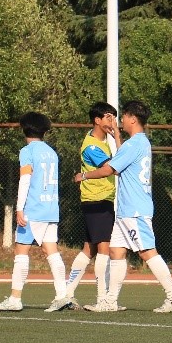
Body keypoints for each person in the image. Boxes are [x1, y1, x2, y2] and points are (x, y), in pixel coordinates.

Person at [71, 100, 172, 313]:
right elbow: (122, 158)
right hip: (126, 210)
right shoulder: (140, 142)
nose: (120, 120)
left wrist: (83, 176)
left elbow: (109, 169)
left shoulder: (134, 144)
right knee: (116, 251)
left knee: (147, 252)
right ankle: (110, 301)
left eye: (123, 116)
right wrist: (117, 136)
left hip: (134, 209)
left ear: (132, 118)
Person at [0, 113, 71, 312]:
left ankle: (15, 298)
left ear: (24, 129)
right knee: (51, 251)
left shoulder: (27, 151)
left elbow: (26, 180)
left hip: (33, 209)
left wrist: (20, 208)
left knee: (21, 251)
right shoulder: (51, 152)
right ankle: (62, 295)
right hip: (50, 209)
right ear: (44, 131)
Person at [62, 102, 119, 310]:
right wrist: (118, 137)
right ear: (97, 120)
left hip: (98, 200)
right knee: (104, 248)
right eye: (108, 117)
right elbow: (112, 168)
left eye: (114, 117)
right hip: (98, 200)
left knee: (89, 249)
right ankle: (102, 298)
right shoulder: (92, 146)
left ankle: (67, 293)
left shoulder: (100, 141)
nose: (112, 121)